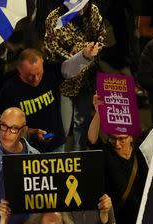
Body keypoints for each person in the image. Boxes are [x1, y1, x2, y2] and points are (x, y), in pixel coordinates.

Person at [0, 44, 101, 154]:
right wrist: (32, 132)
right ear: (19, 69)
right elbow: (4, 126)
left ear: (42, 62)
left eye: (39, 73)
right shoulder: (9, 90)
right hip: (28, 149)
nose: (36, 79)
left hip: (56, 144)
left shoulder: (50, 70)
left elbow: (69, 68)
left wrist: (85, 55)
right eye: (30, 76)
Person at [44, 1, 106, 151]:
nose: (81, 12)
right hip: (64, 82)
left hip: (86, 80)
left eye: (83, 6)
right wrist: (74, 57)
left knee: (82, 125)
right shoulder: (54, 18)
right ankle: (58, 160)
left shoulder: (94, 12)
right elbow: (50, 48)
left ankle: (80, 159)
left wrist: (82, 50)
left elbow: (101, 40)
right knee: (62, 127)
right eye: (77, 8)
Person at [88, 93, 148, 224]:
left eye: (122, 139)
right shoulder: (107, 153)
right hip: (116, 223)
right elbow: (92, 139)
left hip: (138, 221)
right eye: (112, 138)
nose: (117, 144)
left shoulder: (141, 152)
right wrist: (98, 112)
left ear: (131, 137)